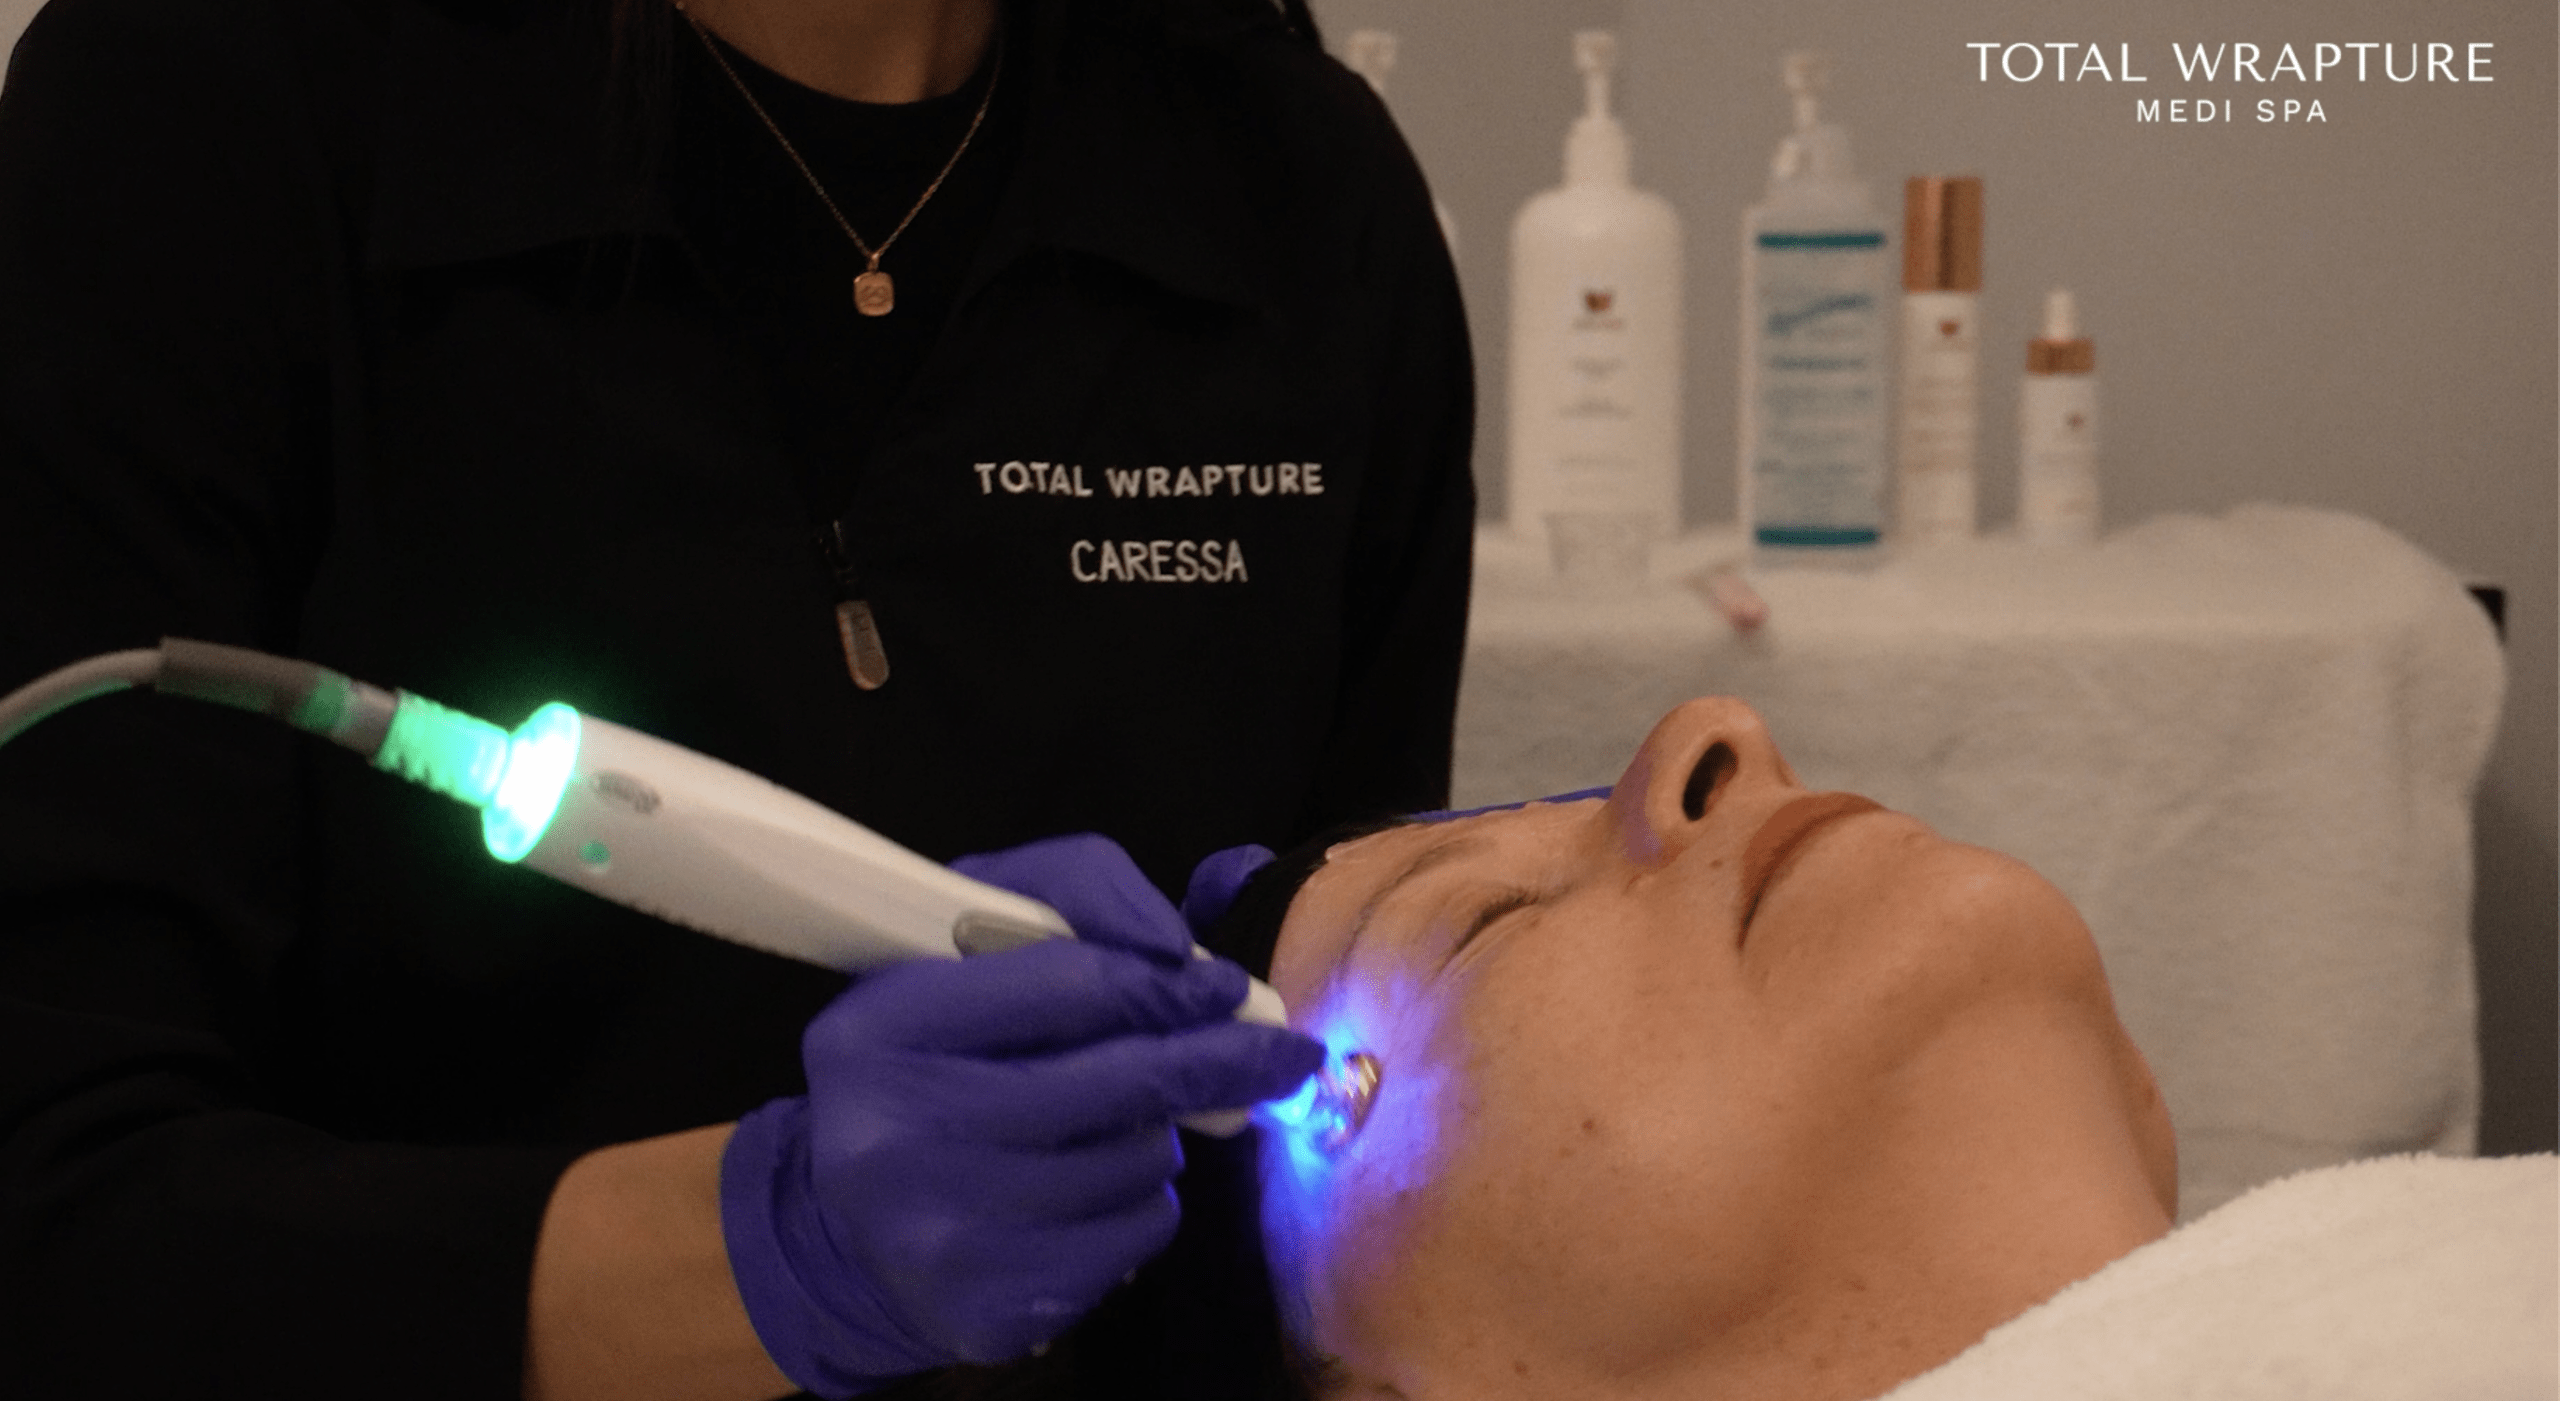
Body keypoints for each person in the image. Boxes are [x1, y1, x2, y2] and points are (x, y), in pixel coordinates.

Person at [0, 0, 1473, 1394]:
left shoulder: (1294, 196)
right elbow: (59, 1214)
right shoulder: (207, 113)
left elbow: (1327, 1172)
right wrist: (770, 1250)